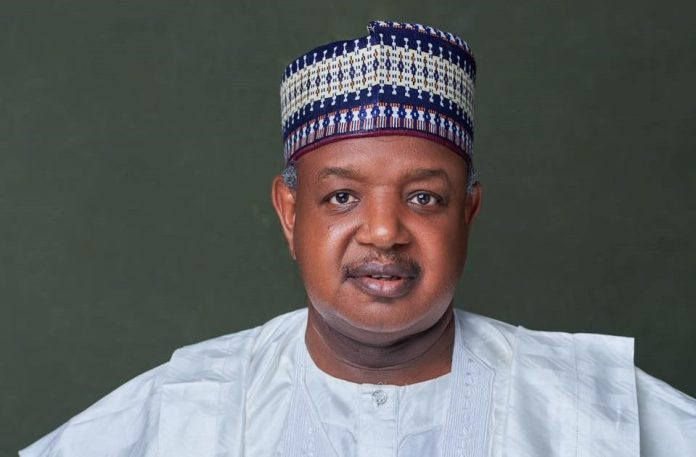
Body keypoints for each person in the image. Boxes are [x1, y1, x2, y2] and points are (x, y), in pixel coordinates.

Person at [20, 20, 695, 457]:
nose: (383, 232)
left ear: (468, 212)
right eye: (342, 196)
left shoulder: (589, 409)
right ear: (290, 212)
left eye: (424, 198)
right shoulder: (188, 409)